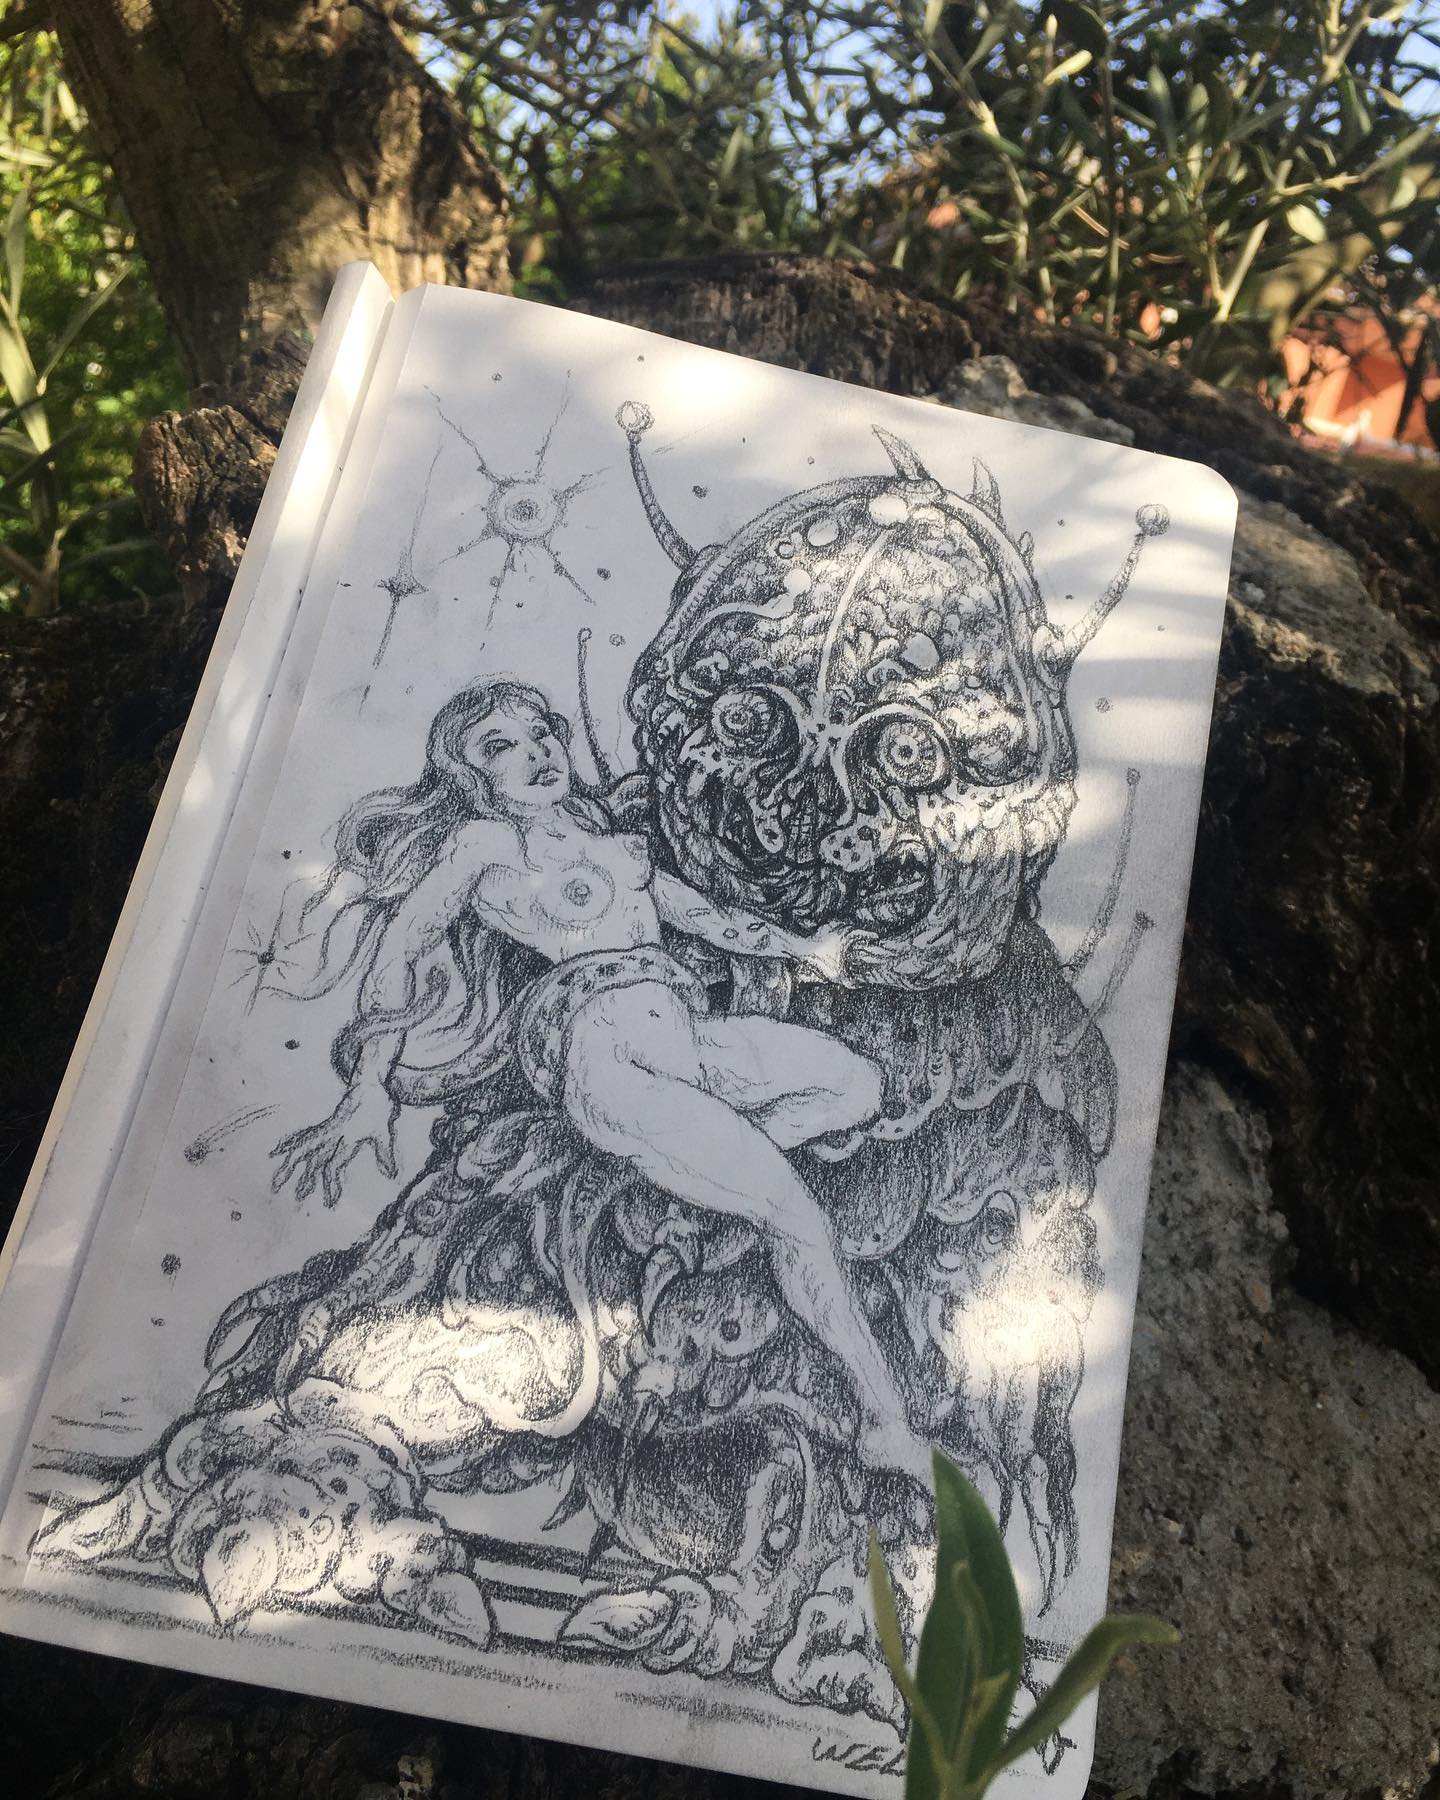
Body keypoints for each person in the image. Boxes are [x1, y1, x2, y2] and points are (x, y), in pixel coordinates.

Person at [271, 677, 930, 1483]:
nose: (536, 752)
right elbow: (398, 952)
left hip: (688, 1040)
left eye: (540, 732)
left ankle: (690, 1179)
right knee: (798, 1221)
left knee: (856, 1086)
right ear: (473, 779)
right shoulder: (487, 845)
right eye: (500, 748)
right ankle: (885, 1423)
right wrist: (368, 1085)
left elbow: (708, 920)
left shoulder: (610, 841)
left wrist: (807, 951)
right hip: (607, 1058)